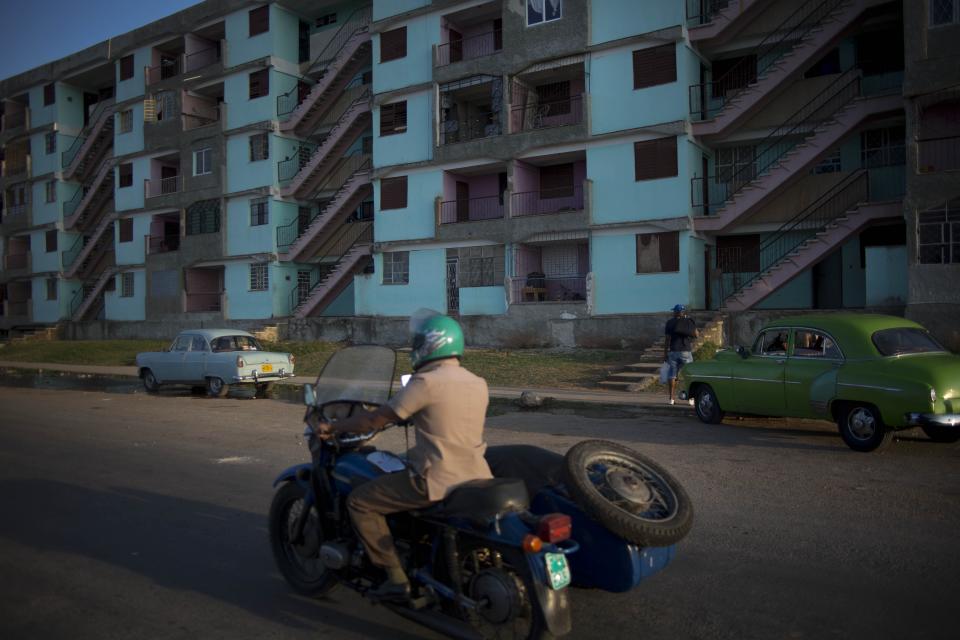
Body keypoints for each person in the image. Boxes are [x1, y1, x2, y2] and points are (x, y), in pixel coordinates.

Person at [315, 311, 493, 601]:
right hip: (476, 475)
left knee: (360, 501)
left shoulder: (426, 382)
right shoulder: (477, 382)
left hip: (436, 480)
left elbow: (377, 419)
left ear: (430, 345)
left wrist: (334, 426)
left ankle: (396, 578)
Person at [664, 304, 698, 405]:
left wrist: (665, 353)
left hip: (673, 351)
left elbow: (667, 339)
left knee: (672, 376)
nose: (673, 312)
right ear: (683, 312)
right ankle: (691, 399)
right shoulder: (688, 321)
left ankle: (671, 398)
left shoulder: (670, 322)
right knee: (689, 374)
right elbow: (696, 334)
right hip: (685, 351)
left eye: (674, 311)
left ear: (675, 312)